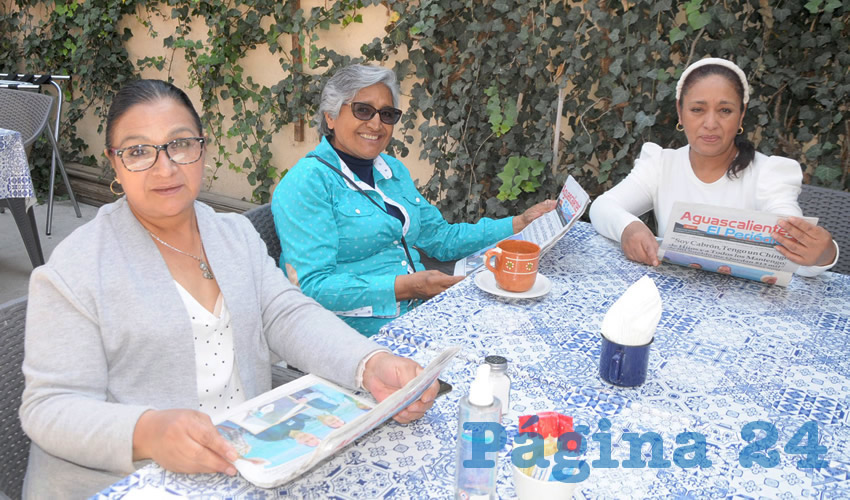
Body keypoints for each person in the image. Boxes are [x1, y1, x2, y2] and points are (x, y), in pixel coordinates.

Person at [19, 79, 438, 499]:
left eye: (180, 144)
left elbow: (286, 314)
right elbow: (48, 407)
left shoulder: (232, 234)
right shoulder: (75, 269)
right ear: (114, 163)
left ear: (202, 148)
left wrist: (369, 363)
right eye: (139, 151)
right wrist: (146, 432)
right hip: (129, 483)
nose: (165, 168)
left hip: (247, 465)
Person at [272, 64, 556, 336]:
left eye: (387, 114)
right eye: (363, 110)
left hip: (420, 313)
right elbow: (314, 287)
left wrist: (518, 224)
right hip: (353, 336)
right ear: (330, 117)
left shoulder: (391, 171)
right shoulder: (308, 183)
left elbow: (441, 239)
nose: (376, 123)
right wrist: (408, 287)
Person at [590, 57, 838, 277]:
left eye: (725, 110)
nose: (710, 123)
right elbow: (603, 206)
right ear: (680, 111)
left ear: (741, 115)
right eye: (697, 109)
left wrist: (823, 253)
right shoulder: (660, 164)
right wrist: (628, 228)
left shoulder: (768, 174)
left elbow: (796, 253)